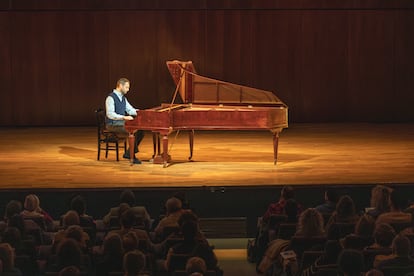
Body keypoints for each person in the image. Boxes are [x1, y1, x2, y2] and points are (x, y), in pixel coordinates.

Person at [106, 77, 144, 164]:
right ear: (120, 86)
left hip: (120, 123)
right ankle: (131, 156)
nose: (128, 89)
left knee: (140, 130)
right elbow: (110, 114)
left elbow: (130, 110)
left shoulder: (123, 98)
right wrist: (124, 117)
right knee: (134, 130)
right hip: (112, 124)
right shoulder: (110, 98)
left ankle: (128, 153)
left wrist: (142, 113)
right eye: (126, 87)